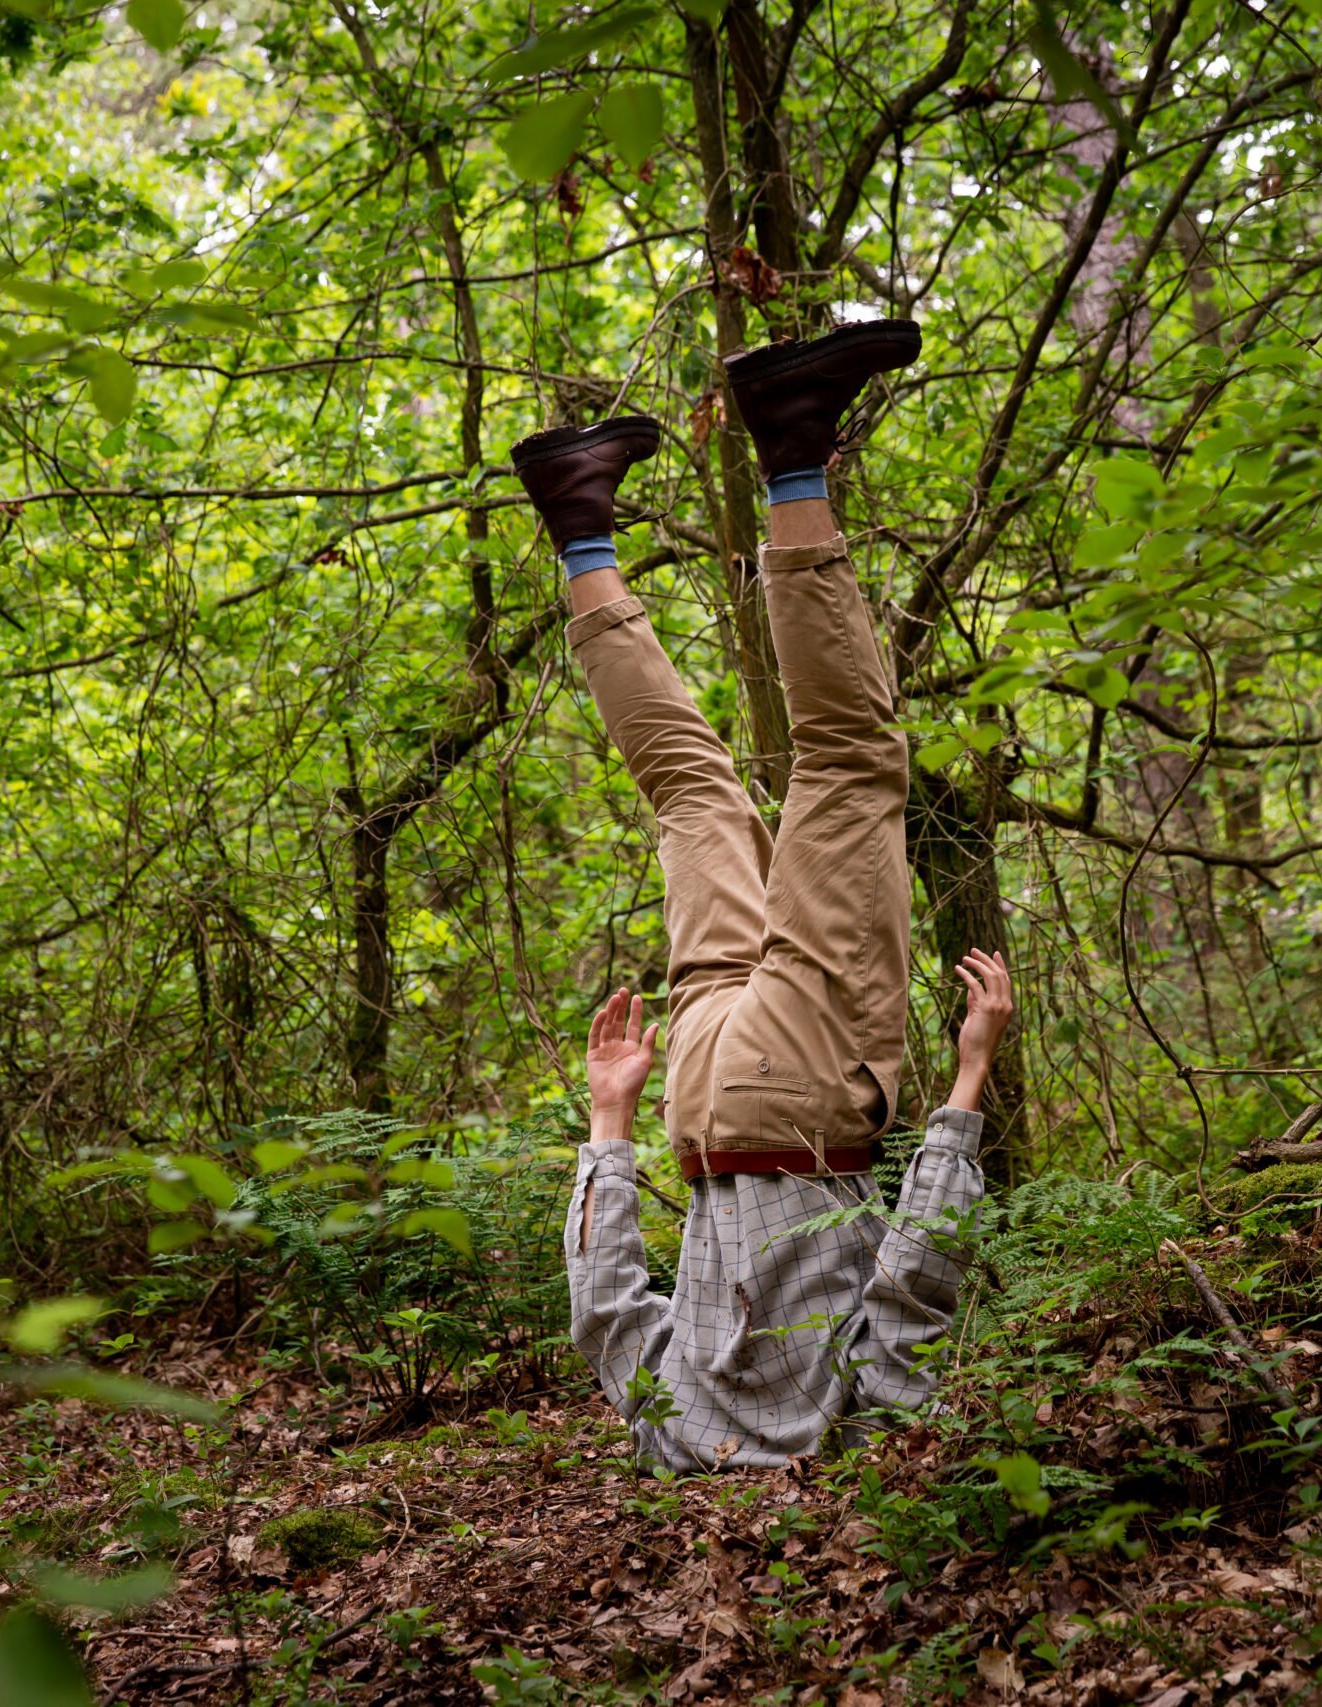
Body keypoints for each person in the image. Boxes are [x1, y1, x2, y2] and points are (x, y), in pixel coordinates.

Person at [508, 319, 1018, 1470]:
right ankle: (577, 518)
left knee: (846, 760)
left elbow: (921, 1275)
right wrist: (609, 1119)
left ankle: (792, 436)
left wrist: (968, 1077)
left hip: (803, 1102)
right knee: (690, 795)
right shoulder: (669, 1438)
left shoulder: (854, 1421)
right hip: (695, 1105)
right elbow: (602, 1309)